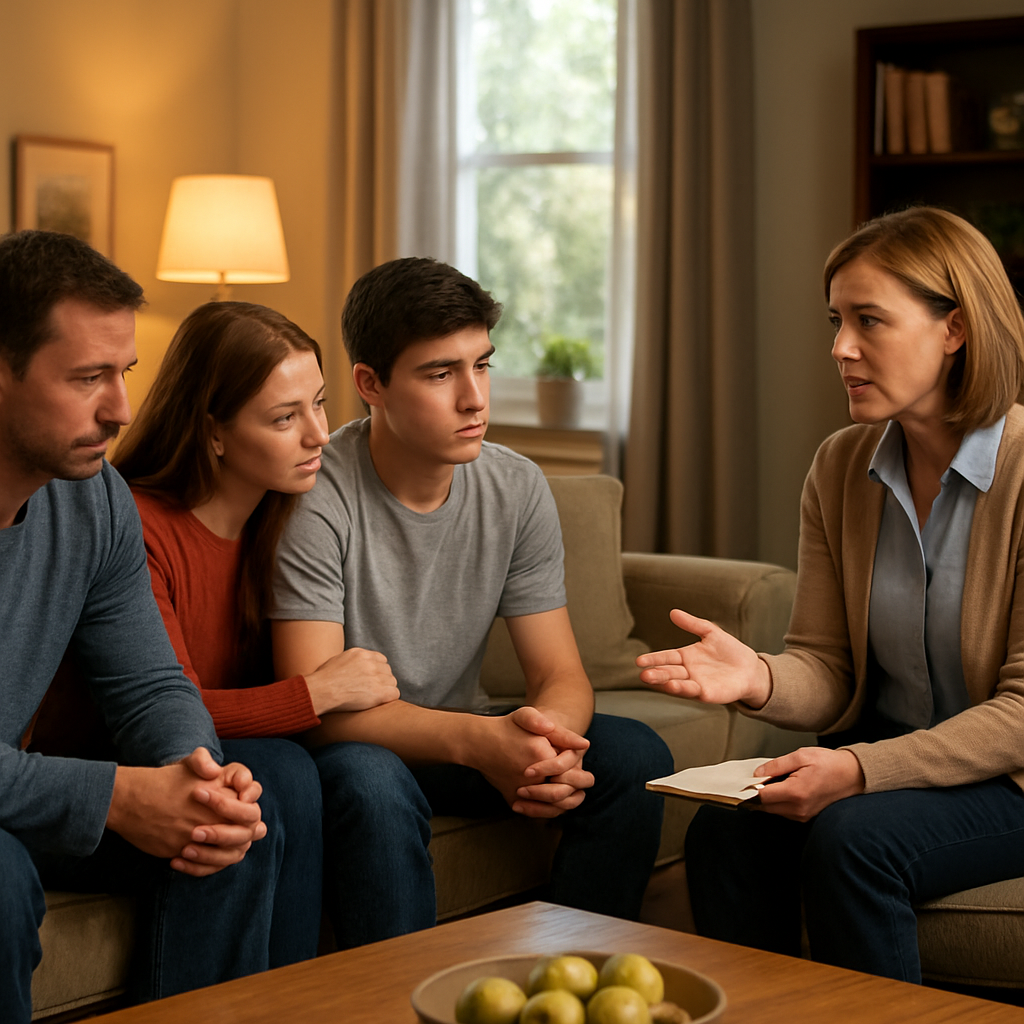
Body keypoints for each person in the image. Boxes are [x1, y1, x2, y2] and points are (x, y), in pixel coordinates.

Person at [636, 206, 1024, 982]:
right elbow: (829, 666)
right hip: (889, 751)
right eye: (837, 320)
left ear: (954, 329)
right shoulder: (843, 466)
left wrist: (860, 773)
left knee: (855, 842)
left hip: (1006, 777)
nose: (841, 348)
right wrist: (761, 677)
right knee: (727, 835)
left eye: (870, 320)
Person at [270, 256, 674, 924]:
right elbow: (315, 710)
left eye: (481, 364)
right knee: (368, 781)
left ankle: (573, 972)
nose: (475, 397)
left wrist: (546, 750)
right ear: (370, 383)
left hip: (460, 736)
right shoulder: (315, 494)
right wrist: (481, 745)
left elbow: (560, 674)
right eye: (440, 373)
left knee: (635, 754)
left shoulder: (516, 488)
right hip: (361, 748)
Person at [0, 230, 321, 1023]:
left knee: (231, 827)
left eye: (125, 373)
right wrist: (113, 795)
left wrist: (197, 776)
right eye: (87, 379)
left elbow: (147, 683)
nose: (121, 409)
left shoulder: (94, 498)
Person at [111, 300, 418, 948]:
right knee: (279, 773)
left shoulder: (287, 518)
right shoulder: (137, 528)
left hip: (254, 758)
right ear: (214, 432)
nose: (318, 435)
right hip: (127, 772)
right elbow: (160, 711)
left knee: (361, 772)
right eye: (285, 417)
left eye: (321, 404)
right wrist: (319, 692)